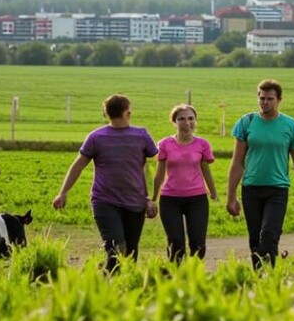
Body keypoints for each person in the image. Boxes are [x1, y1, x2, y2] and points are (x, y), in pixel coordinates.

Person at [53, 94, 158, 272]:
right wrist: (63, 192)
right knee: (116, 249)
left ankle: (123, 285)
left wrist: (150, 198)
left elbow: (77, 166)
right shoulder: (98, 137)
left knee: (130, 252)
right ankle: (106, 285)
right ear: (127, 113)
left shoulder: (139, 136)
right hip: (105, 202)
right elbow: (152, 169)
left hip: (135, 202)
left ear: (106, 113)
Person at [226, 79, 294, 269]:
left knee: (269, 234)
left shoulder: (291, 125)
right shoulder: (246, 122)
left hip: (277, 189)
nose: (264, 102)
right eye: (261, 98)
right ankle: (261, 279)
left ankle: (269, 273)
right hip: (251, 189)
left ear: (279, 100)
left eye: (270, 99)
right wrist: (231, 196)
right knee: (255, 237)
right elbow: (237, 162)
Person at [152, 104, 218, 263]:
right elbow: (159, 173)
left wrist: (213, 192)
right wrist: (153, 198)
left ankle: (193, 275)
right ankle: (175, 278)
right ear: (174, 122)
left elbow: (205, 169)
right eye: (181, 119)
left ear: (195, 121)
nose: (186, 123)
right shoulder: (164, 144)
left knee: (198, 244)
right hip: (170, 200)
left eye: (190, 118)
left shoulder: (202, 144)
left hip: (197, 199)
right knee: (176, 244)